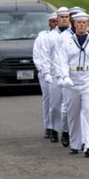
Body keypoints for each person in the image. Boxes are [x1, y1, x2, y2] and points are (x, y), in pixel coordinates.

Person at [54, 10, 89, 158]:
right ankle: (75, 143)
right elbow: (62, 61)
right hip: (72, 80)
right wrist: (64, 76)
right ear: (74, 24)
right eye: (79, 23)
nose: (82, 25)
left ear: (87, 24)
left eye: (84, 23)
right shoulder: (66, 42)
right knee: (73, 114)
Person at [33, 12, 60, 142]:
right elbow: (37, 57)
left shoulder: (61, 37)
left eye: (57, 21)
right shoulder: (42, 38)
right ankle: (48, 126)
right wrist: (44, 72)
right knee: (48, 100)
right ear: (49, 23)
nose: (55, 24)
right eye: (53, 22)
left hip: (57, 73)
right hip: (45, 73)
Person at [48, 6, 73, 148]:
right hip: (54, 74)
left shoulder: (72, 35)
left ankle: (67, 131)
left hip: (69, 75)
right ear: (57, 19)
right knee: (55, 105)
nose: (64, 19)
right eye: (61, 17)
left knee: (68, 106)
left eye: (66, 17)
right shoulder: (51, 36)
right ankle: (53, 128)